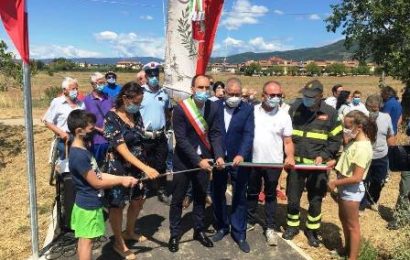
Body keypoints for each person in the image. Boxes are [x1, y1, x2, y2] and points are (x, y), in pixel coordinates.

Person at [67, 109, 138, 260]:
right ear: (79, 131)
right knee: (87, 243)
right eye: (91, 129)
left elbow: (98, 174)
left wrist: (123, 177)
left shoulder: (82, 149)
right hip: (88, 206)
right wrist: (121, 180)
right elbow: (97, 182)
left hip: (87, 203)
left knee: (84, 240)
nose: (94, 131)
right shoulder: (79, 155)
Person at [168, 75, 225, 253]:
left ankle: (198, 230)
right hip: (184, 161)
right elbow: (182, 139)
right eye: (200, 88)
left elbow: (215, 134)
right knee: (177, 199)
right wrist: (197, 160)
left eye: (207, 88)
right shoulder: (181, 109)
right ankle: (175, 234)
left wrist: (219, 155)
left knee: (200, 197)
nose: (204, 91)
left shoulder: (214, 107)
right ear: (192, 89)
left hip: (206, 160)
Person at [283, 80, 342, 247]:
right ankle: (292, 227)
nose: (307, 99)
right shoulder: (295, 109)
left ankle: (312, 231)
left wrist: (324, 155)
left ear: (320, 97)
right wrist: (288, 156)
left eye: (311, 97)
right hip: (297, 166)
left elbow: (335, 139)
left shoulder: (331, 113)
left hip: (318, 168)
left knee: (315, 199)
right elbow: (286, 135)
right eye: (305, 96)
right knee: (293, 198)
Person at [103, 82, 159, 259]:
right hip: (118, 168)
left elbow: (140, 135)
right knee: (117, 205)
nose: (138, 106)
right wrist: (147, 168)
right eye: (136, 101)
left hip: (138, 166)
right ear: (125, 99)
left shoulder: (135, 114)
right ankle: (119, 242)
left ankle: (129, 231)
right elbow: (122, 149)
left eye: (140, 102)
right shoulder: (110, 118)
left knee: (137, 200)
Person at [246, 80, 295, 246]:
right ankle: (249, 220)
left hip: (273, 163)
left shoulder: (284, 116)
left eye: (278, 95)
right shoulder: (251, 112)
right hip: (253, 162)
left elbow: (288, 142)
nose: (275, 98)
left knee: (270, 195)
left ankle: (270, 227)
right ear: (263, 96)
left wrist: (290, 156)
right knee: (252, 192)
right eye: (272, 95)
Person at [212, 77, 254, 253]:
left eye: (237, 94)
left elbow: (248, 134)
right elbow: (214, 133)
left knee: (239, 195)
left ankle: (239, 232)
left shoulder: (247, 109)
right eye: (231, 94)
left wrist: (241, 154)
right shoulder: (214, 107)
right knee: (217, 192)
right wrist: (218, 155)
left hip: (239, 160)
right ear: (224, 92)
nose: (234, 97)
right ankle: (222, 226)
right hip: (220, 160)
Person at [327, 110, 375, 260]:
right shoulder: (354, 143)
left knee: (352, 226)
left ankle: (352, 257)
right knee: (344, 219)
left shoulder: (362, 148)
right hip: (345, 188)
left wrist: (335, 182)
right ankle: (347, 249)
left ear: (359, 127)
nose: (345, 130)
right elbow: (347, 158)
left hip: (351, 190)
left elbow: (357, 177)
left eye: (348, 127)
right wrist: (335, 161)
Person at [139, 62, 172, 204]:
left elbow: (168, 111)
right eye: (151, 75)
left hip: (160, 136)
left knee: (161, 164)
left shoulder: (164, 93)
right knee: (144, 163)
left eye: (156, 74)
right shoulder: (139, 92)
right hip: (144, 136)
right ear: (146, 76)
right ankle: (144, 188)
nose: (154, 77)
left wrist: (167, 126)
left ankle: (161, 189)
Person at [360, 95, 396, 212]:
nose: (373, 111)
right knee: (363, 181)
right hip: (365, 156)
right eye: (371, 108)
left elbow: (390, 135)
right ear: (367, 107)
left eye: (375, 109)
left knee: (379, 181)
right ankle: (362, 203)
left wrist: (393, 152)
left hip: (381, 156)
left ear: (379, 107)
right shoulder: (361, 118)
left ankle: (373, 200)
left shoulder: (386, 118)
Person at [42, 77, 85, 159]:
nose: (75, 91)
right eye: (73, 89)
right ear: (65, 90)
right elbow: (47, 121)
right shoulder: (57, 102)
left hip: (79, 140)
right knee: (63, 168)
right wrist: (61, 133)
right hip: (63, 141)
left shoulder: (81, 104)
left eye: (76, 89)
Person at [84, 72, 113, 166]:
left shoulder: (109, 98)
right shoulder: (86, 101)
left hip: (111, 140)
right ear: (93, 84)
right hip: (95, 141)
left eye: (103, 82)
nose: (102, 85)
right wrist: (99, 129)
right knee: (96, 167)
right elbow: (85, 120)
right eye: (100, 82)